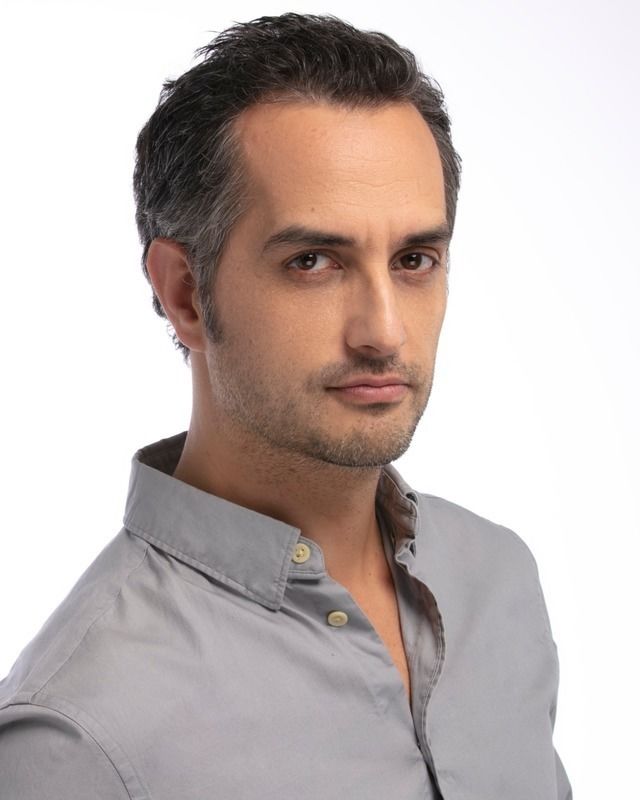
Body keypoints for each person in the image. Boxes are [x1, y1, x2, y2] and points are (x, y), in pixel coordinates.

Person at [0, 12, 572, 800]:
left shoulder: (496, 578)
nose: (384, 332)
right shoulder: (79, 735)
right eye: (313, 261)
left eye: (414, 259)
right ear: (185, 294)